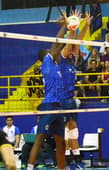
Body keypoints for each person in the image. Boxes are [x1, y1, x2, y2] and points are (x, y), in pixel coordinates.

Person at [27, 13, 68, 170]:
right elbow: (56, 44)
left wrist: (69, 28)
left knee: (60, 141)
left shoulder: (55, 65)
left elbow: (61, 45)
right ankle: (30, 168)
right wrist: (64, 25)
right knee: (40, 138)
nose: (53, 52)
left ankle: (61, 168)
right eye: (49, 52)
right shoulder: (46, 63)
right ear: (44, 57)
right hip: (49, 105)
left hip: (59, 107)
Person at [60, 11, 91, 169]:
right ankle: (67, 160)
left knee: (74, 128)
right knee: (66, 128)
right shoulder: (64, 58)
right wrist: (71, 27)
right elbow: (72, 42)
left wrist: (87, 24)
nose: (75, 49)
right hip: (62, 99)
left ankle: (76, 160)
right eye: (73, 48)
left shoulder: (74, 60)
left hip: (71, 99)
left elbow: (78, 41)